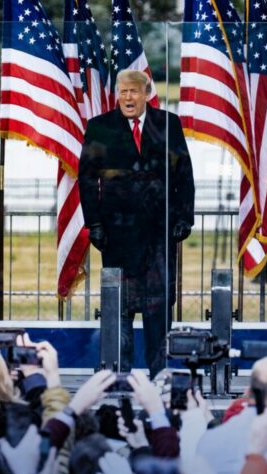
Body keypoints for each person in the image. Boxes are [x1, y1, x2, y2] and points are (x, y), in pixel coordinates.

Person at [77, 69, 195, 377]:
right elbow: (87, 180)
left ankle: (161, 373)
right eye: (123, 92)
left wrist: (184, 217)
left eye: (134, 92)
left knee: (158, 307)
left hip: (159, 233)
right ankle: (118, 373)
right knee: (120, 305)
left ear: (146, 93)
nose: (128, 98)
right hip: (117, 235)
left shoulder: (168, 124)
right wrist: (95, 224)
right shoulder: (100, 127)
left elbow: (184, 174)